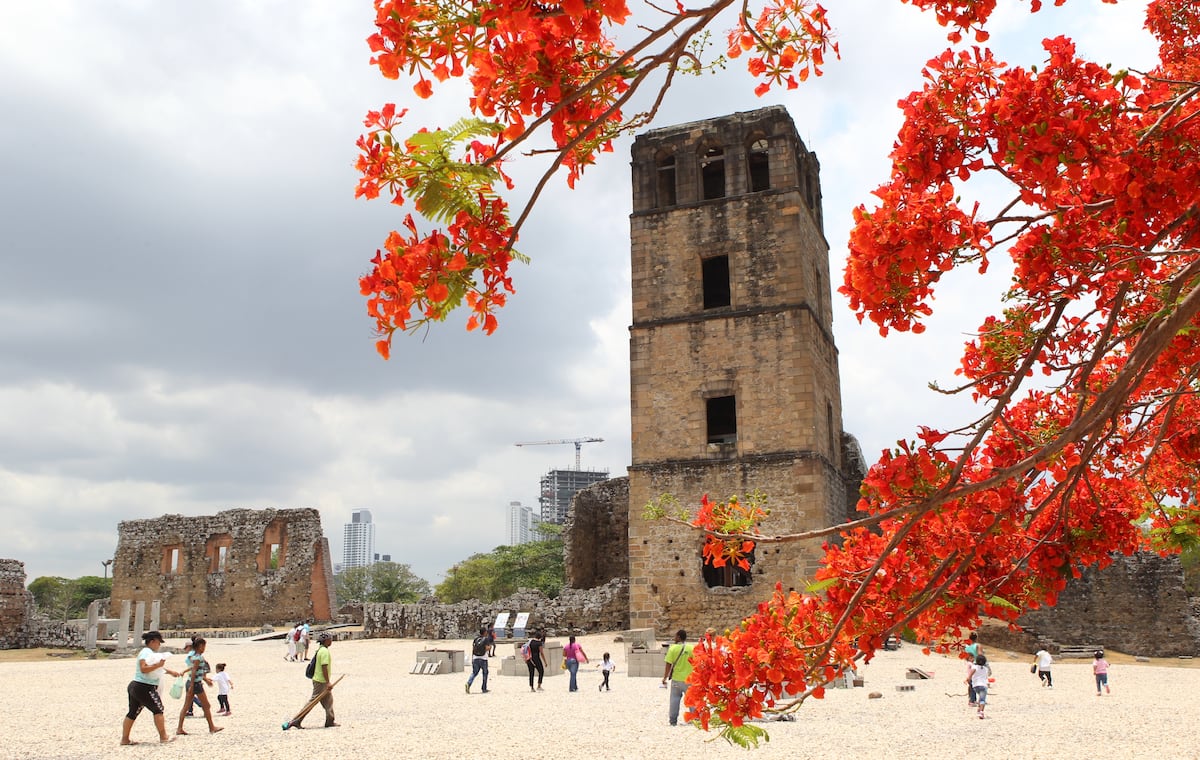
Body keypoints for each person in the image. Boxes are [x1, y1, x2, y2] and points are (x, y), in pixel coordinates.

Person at [121, 630, 181, 745]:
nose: (159, 645)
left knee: (132, 712)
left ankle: (125, 739)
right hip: (144, 687)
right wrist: (159, 665)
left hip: (135, 686)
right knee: (158, 709)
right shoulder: (146, 653)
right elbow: (144, 668)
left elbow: (155, 669)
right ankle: (164, 737)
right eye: (159, 642)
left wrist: (169, 671)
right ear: (153, 641)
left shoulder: (148, 653)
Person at [176, 637, 222, 736]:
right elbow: (194, 671)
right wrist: (193, 685)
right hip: (195, 684)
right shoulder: (198, 657)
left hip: (191, 683)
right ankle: (212, 727)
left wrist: (205, 679)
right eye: (204, 646)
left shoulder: (193, 656)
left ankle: (179, 728)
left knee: (186, 706)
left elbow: (193, 669)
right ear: (201, 646)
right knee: (206, 705)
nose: (205, 648)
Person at [295, 632, 338, 728]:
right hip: (321, 681)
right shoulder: (324, 652)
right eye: (330, 639)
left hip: (319, 679)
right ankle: (297, 719)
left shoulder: (320, 650)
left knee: (328, 701)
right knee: (313, 701)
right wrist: (328, 682)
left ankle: (330, 721)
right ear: (326, 641)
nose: (331, 641)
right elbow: (324, 667)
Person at [661, 629, 695, 726]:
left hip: (676, 679)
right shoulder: (691, 648)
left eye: (675, 636)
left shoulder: (672, 648)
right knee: (692, 699)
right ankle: (695, 718)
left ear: (679, 637)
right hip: (689, 679)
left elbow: (668, 664)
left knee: (674, 699)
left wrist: (665, 677)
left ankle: (673, 721)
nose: (674, 638)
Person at [466, 625, 494, 693]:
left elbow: (473, 649)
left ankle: (468, 683)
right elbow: (487, 648)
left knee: (474, 673)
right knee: (485, 673)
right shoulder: (486, 639)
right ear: (484, 632)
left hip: (475, 658)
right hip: (483, 658)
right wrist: (490, 647)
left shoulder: (476, 639)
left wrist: (472, 658)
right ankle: (484, 688)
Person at [967, 654, 991, 720]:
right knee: (982, 700)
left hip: (976, 686)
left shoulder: (974, 667)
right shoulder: (986, 669)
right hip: (984, 686)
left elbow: (970, 674)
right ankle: (981, 711)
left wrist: (968, 679)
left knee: (980, 697)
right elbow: (986, 677)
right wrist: (988, 683)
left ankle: (979, 709)